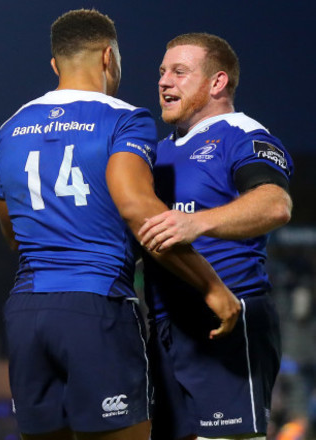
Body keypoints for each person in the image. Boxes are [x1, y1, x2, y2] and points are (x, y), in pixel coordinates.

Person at [0, 10, 240, 440]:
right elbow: (137, 208)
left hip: (26, 312)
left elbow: (11, 231)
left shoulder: (9, 128)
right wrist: (213, 288)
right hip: (96, 305)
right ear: (109, 57)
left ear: (55, 64)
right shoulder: (125, 119)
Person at [139, 32, 293, 440]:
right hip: (167, 330)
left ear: (217, 82)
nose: (164, 81)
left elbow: (275, 203)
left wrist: (197, 222)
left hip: (226, 323)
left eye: (179, 71)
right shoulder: (157, 152)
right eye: (161, 72)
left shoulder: (242, 134)